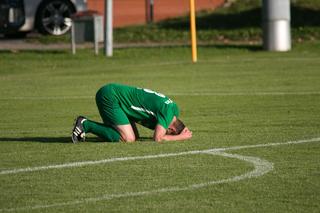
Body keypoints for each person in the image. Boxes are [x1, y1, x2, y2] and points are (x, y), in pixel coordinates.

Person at [72, 83, 192, 143]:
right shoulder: (167, 114)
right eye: (170, 132)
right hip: (111, 97)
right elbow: (158, 138)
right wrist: (180, 137)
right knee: (128, 138)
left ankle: (92, 128)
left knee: (134, 136)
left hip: (117, 99)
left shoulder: (174, 110)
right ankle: (85, 124)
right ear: (172, 130)